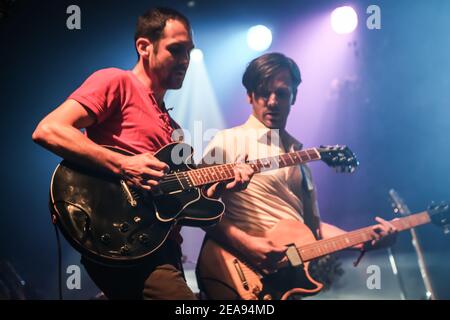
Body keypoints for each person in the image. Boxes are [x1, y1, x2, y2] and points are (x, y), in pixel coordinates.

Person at [32, 7, 253, 300]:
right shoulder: (116, 82)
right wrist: (124, 164)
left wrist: (220, 187)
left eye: (189, 52)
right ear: (144, 47)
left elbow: (182, 207)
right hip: (120, 235)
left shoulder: (173, 130)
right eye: (176, 50)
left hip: (159, 245)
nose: (185, 61)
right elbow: (48, 129)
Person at [199, 52, 397, 299]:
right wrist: (246, 244)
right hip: (235, 273)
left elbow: (313, 230)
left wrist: (363, 240)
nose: (272, 101)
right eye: (263, 92)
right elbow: (197, 209)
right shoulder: (227, 141)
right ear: (250, 95)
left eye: (281, 93)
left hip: (282, 281)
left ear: (294, 97)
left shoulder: (301, 159)